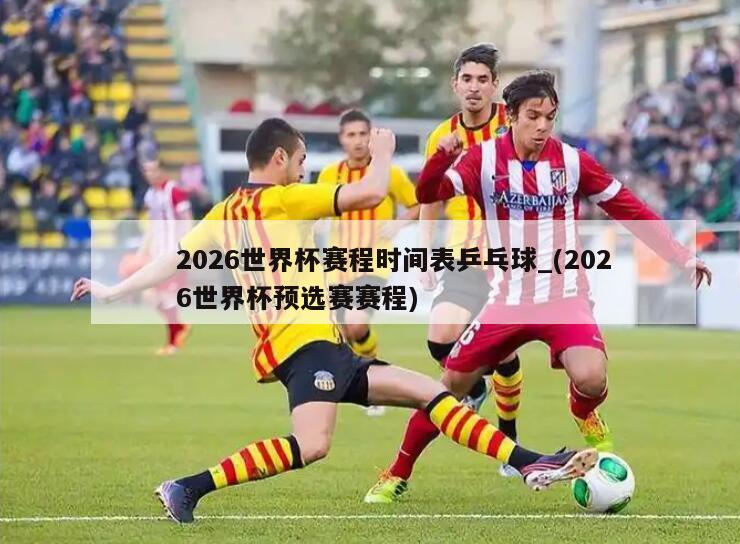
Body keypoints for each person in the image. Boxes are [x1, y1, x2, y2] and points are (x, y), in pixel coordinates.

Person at [70, 118, 598, 524]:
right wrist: (385, 151)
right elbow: (369, 193)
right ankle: (186, 487)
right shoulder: (283, 199)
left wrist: (114, 290)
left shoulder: (226, 210)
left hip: (319, 346)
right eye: (301, 159)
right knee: (312, 445)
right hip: (306, 347)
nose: (304, 170)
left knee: (433, 394)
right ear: (279, 158)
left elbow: (174, 258)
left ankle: (528, 461)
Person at [387, 70, 712, 502]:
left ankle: (583, 410)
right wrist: (439, 160)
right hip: (507, 299)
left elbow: (628, 207)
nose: (542, 126)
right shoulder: (483, 160)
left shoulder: (573, 162)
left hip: (564, 296)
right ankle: (396, 473)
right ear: (511, 116)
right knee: (448, 389)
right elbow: (429, 193)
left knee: (592, 378)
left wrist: (681, 254)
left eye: (550, 117)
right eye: (533, 116)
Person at [364, 44, 523, 504]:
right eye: (466, 79)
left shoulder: (512, 126)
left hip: (510, 260)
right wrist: (426, 253)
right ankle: (477, 387)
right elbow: (431, 198)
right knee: (440, 339)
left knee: (505, 351)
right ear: (455, 85)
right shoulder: (442, 136)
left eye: (482, 80)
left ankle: (508, 431)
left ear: (495, 85)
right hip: (461, 256)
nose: (474, 88)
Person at [317, 109, 419, 416]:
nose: (358, 140)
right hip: (338, 265)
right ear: (342, 139)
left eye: (363, 134)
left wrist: (398, 224)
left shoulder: (389, 173)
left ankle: (374, 383)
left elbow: (418, 204)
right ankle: (361, 383)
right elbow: (318, 209)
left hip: (375, 262)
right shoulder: (329, 174)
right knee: (341, 333)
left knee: (356, 322)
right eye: (352, 135)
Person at [138, 157, 193, 355]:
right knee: (149, 296)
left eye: (153, 169)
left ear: (162, 170)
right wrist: (143, 249)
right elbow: (153, 225)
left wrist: (186, 249)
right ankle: (179, 327)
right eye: (146, 170)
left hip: (173, 253)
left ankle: (173, 343)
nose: (149, 174)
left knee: (167, 296)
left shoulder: (174, 191)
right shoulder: (150, 195)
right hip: (158, 254)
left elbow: (187, 220)